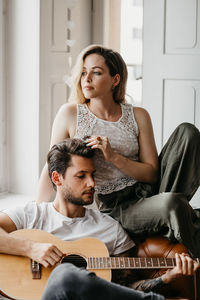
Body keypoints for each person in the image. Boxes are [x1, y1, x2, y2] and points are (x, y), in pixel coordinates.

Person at [36, 44, 200, 258]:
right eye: (84, 72)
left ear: (115, 80)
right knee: (173, 203)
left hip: (150, 190)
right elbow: (52, 167)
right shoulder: (70, 114)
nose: (86, 79)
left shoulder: (139, 115)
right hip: (116, 207)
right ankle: (180, 226)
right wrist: (38, 214)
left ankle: (168, 215)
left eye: (96, 72)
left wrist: (114, 157)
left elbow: (152, 173)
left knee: (188, 132)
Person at [0, 139, 198, 300]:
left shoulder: (110, 229)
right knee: (65, 274)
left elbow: (127, 288)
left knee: (68, 274)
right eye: (81, 176)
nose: (92, 183)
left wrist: (167, 278)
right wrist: (32, 249)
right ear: (57, 178)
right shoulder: (31, 214)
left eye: (92, 175)